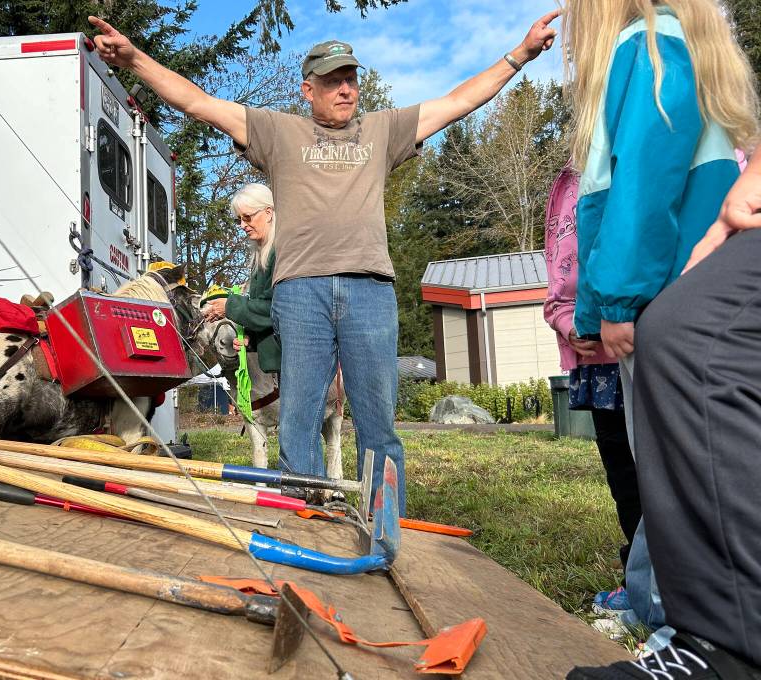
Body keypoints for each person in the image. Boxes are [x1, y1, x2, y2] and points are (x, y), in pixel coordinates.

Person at [88, 11, 560, 513]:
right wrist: (135, 59)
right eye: (333, 80)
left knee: (377, 418)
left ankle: (384, 525)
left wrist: (520, 55)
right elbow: (201, 103)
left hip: (370, 292)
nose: (346, 89)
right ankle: (307, 518)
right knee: (299, 417)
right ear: (307, 89)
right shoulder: (278, 132)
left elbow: (457, 101)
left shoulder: (384, 131)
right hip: (301, 294)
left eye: (351, 79)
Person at [563, 0, 757, 631]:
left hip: (664, 297)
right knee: (681, 463)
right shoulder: (680, 46)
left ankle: (688, 624)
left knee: (675, 470)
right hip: (680, 288)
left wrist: (615, 300)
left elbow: (642, 181)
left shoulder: (646, 45)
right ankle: (660, 602)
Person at [568, 159, 761, 680]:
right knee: (642, 464)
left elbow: (643, 180)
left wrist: (605, 304)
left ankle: (721, 645)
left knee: (684, 338)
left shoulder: (651, 79)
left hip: (641, 294)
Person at [543, 162, 641, 613]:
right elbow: (558, 289)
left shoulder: (639, 158)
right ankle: (638, 580)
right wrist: (569, 326)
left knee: (666, 473)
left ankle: (676, 584)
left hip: (644, 346)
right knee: (625, 477)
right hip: (597, 362)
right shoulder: (568, 183)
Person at [201, 183, 279, 374]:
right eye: (239, 220)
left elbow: (277, 307)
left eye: (247, 217)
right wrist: (251, 339)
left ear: (268, 213)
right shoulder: (261, 257)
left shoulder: (281, 252)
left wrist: (229, 306)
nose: (243, 225)